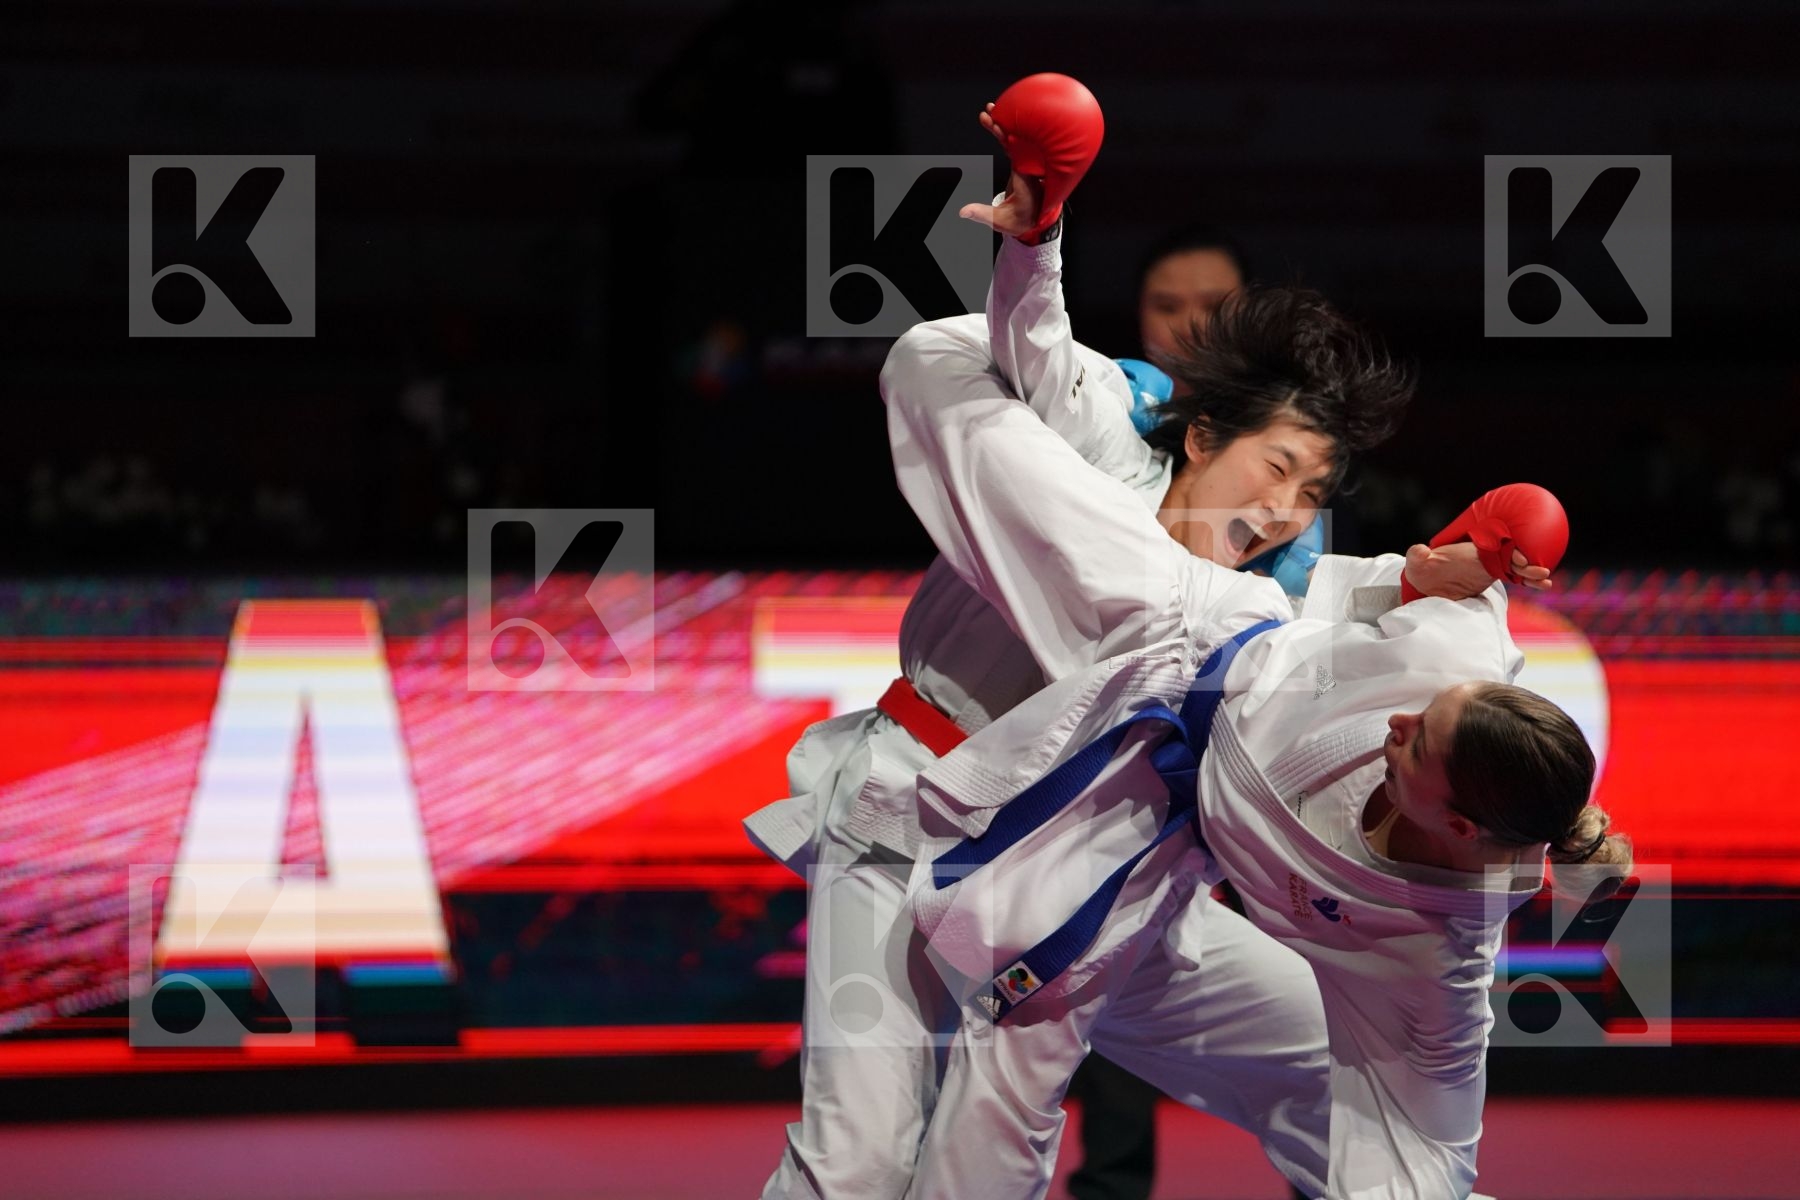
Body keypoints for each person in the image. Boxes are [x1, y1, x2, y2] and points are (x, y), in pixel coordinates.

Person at [878, 107, 1623, 1197]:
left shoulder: (1440, 957)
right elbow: (1039, 372)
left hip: (1158, 847)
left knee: (1369, 1133)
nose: (1404, 724)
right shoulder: (1447, 653)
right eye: (1275, 467)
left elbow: (1433, 1134)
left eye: (1416, 752)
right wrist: (1448, 560)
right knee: (935, 362)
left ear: (1463, 827)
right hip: (1190, 647)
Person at [747, 74, 1426, 1200]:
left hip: (1095, 882)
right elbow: (1039, 350)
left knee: (1335, 1048)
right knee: (859, 1163)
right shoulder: (1102, 448)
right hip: (906, 826)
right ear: (1205, 434)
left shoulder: (1266, 599)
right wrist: (1039, 233)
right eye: (1276, 469)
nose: (1288, 508)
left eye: (1315, 492)